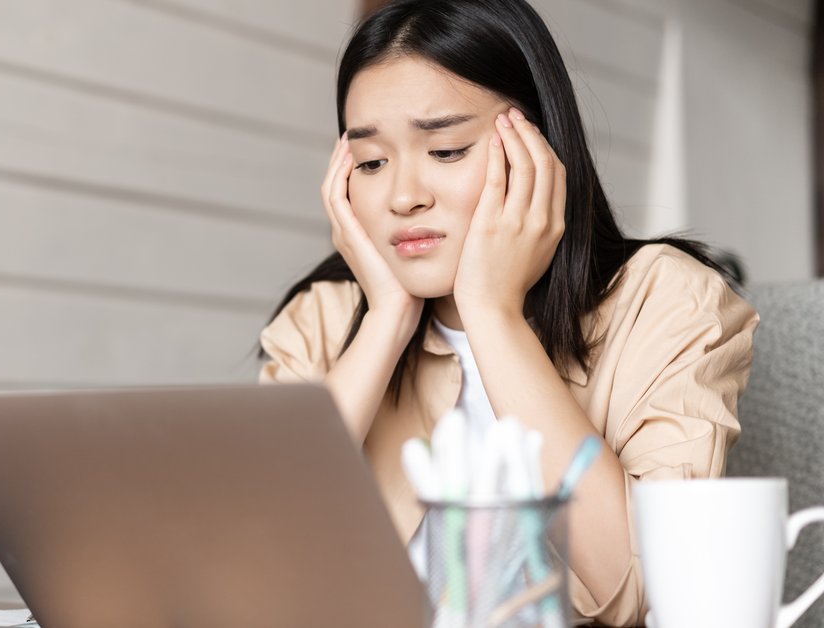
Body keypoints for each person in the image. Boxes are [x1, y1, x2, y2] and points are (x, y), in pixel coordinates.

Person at [256, 0, 760, 625]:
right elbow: (250, 574)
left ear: (538, 149)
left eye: (445, 151)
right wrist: (386, 319)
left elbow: (642, 592)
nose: (404, 196)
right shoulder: (323, 321)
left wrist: (493, 316)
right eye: (370, 162)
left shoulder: (667, 301)